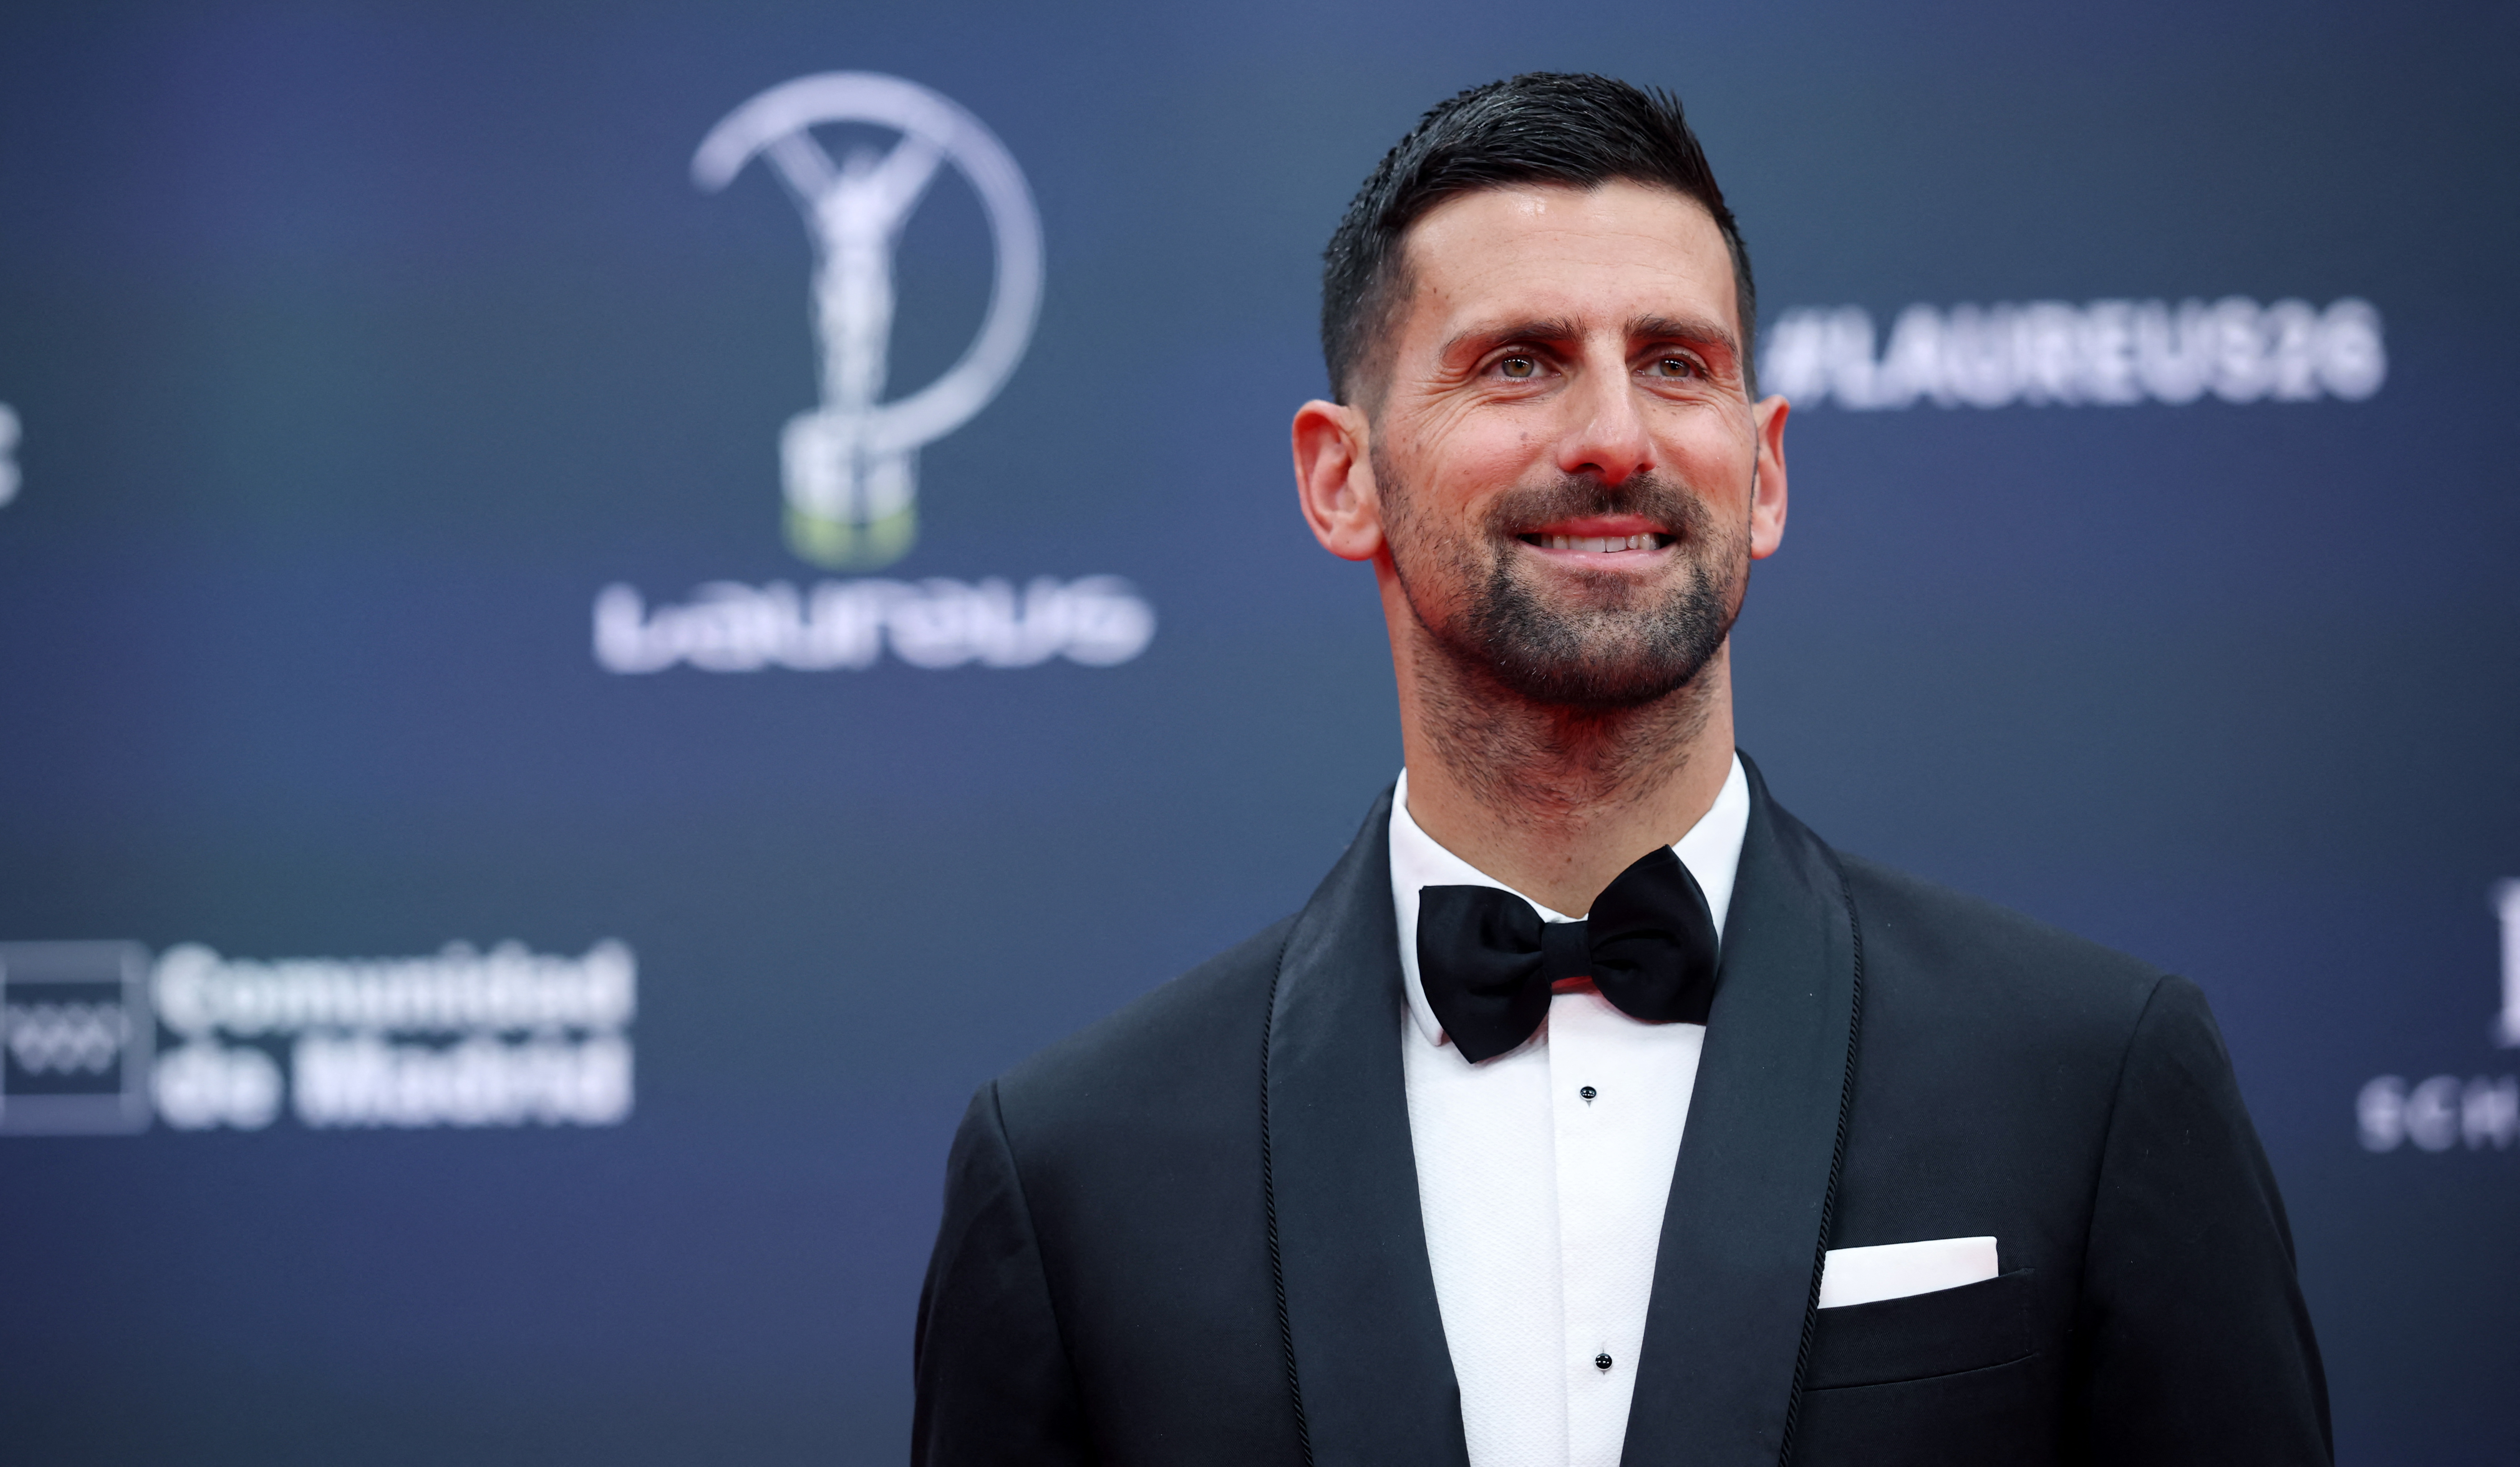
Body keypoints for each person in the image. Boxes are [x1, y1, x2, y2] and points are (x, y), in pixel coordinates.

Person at [912, 73, 2331, 1467]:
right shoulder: (1076, 1172)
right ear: (1342, 478)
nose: (1612, 437)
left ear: (1764, 471)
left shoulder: (2084, 1078)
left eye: (1675, 363)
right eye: (1517, 362)